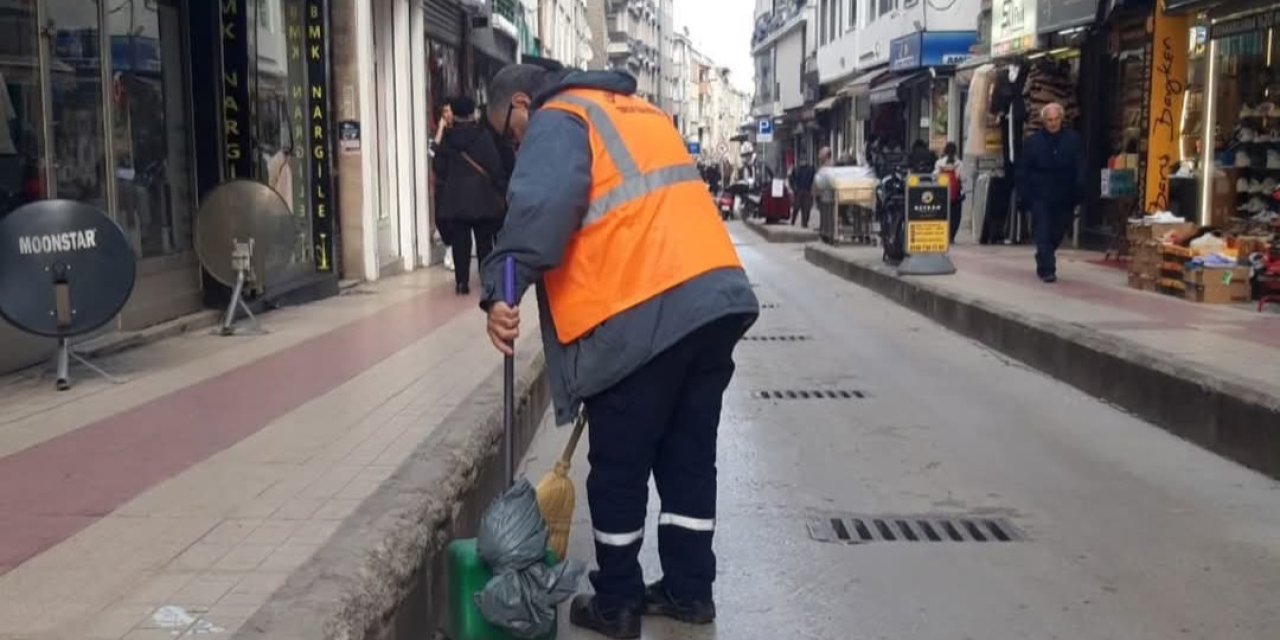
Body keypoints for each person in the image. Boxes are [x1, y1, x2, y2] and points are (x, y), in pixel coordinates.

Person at [478, 64, 759, 639]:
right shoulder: (639, 111)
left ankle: (618, 601)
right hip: (715, 299)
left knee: (619, 467)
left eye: (510, 134)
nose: (516, 146)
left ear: (523, 104)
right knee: (687, 456)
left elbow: (541, 210)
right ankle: (688, 589)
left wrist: (500, 288)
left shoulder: (560, 118)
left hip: (641, 305)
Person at [433, 96, 508, 294]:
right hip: (483, 199)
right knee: (484, 242)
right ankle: (485, 278)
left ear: (454, 114)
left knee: (460, 244)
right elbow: (494, 165)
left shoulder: (448, 139)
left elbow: (439, 167)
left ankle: (461, 282)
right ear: (471, 113)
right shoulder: (483, 136)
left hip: (456, 200)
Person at [1017, 102, 1084, 283]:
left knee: (1057, 231)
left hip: (1064, 194)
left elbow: (1079, 166)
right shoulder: (1033, 142)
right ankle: (1047, 268)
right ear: (1043, 121)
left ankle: (1043, 254)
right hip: (1041, 194)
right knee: (1043, 230)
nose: (1053, 123)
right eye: (1049, 120)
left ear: (1061, 119)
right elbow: (1024, 169)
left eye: (1056, 119)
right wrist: (1025, 194)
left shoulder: (1073, 140)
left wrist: (1079, 188)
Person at [934, 142, 963, 242]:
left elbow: (935, 176)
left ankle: (943, 234)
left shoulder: (939, 163)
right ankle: (951, 236)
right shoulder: (959, 163)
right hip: (955, 194)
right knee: (955, 216)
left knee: (942, 214)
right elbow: (961, 177)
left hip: (942, 193)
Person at [788, 157, 816, 227]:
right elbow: (814, 180)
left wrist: (794, 188)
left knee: (797, 208)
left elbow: (791, 179)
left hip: (800, 191)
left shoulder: (796, 169)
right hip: (806, 191)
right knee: (805, 209)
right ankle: (804, 223)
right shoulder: (811, 169)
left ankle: (794, 222)